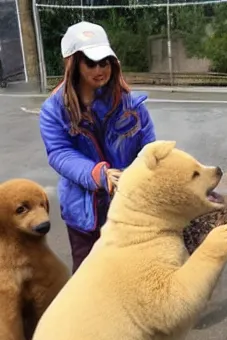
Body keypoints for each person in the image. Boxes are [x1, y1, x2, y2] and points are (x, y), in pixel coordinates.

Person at [39, 21, 156, 273]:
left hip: (128, 206)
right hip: (83, 211)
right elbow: (59, 153)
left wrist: (142, 175)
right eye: (90, 63)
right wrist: (98, 175)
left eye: (104, 61)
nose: (99, 69)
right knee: (88, 274)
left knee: (129, 269)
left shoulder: (131, 103)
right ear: (73, 64)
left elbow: (149, 148)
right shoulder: (53, 110)